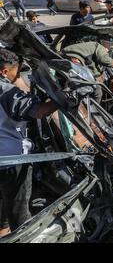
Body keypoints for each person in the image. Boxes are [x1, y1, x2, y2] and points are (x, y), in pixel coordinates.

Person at [0, 49, 58, 232]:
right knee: (19, 209)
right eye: (16, 72)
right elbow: (39, 111)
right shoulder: (7, 92)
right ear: (3, 72)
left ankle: (3, 227)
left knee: (4, 199)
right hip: (13, 161)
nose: (17, 76)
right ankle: (21, 232)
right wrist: (61, 99)